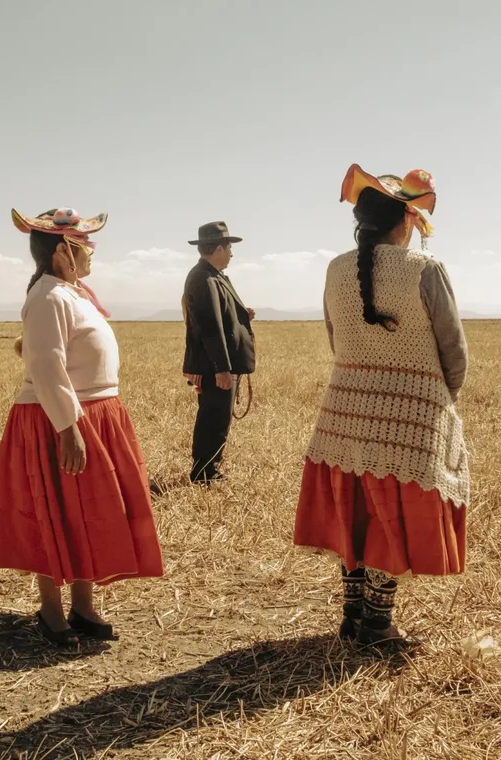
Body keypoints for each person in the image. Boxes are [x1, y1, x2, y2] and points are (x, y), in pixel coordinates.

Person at [293, 165, 470, 647]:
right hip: (410, 413)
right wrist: (439, 397)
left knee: (354, 510)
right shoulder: (424, 269)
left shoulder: (334, 269)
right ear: (406, 220)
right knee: (391, 514)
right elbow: (454, 350)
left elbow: (336, 339)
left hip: (344, 410)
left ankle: (354, 615)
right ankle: (377, 622)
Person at [0, 207, 164, 647]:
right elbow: (47, 365)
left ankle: (84, 607)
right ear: (61, 253)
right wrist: (69, 427)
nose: (91, 252)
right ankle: (51, 612)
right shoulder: (48, 296)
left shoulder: (72, 294)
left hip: (93, 414)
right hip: (58, 418)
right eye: (83, 245)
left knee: (86, 511)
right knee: (52, 511)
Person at [181, 221, 256, 485]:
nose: (232, 255)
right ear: (220, 247)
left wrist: (242, 316)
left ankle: (209, 470)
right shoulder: (204, 278)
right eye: (230, 248)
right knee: (214, 419)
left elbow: (221, 318)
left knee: (218, 419)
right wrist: (221, 368)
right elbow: (210, 327)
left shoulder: (212, 276)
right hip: (214, 366)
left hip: (216, 364)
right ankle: (204, 474)